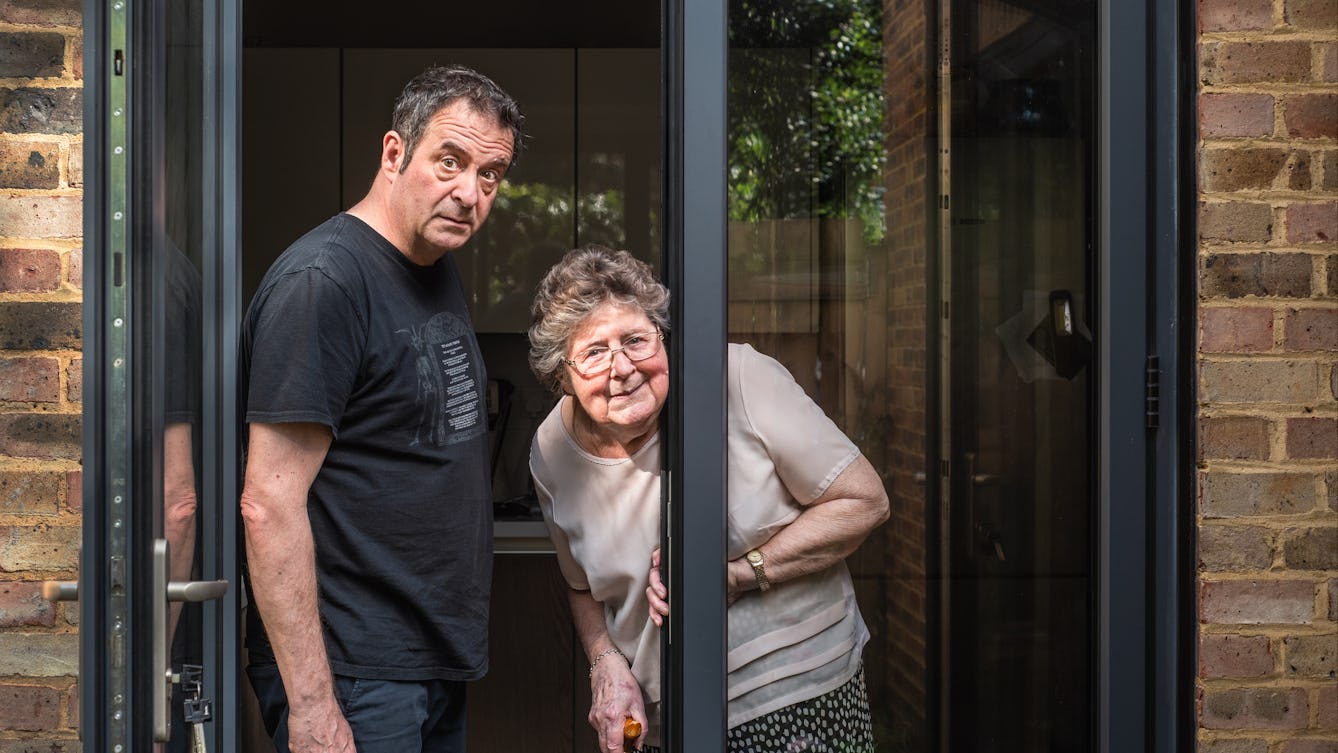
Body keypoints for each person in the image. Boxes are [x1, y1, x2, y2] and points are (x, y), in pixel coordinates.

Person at [238, 65, 524, 753]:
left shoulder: (432, 261)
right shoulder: (325, 283)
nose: (469, 192)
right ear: (394, 153)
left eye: (490, 174)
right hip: (355, 674)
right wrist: (311, 704)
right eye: (451, 161)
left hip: (423, 661)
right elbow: (268, 503)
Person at [527, 245, 890, 752]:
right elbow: (581, 587)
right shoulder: (551, 450)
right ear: (561, 374)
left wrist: (740, 572)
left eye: (636, 340)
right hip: (661, 718)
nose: (622, 368)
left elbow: (863, 501)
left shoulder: (737, 378)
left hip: (796, 695)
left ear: (663, 339)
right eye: (593, 352)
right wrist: (604, 662)